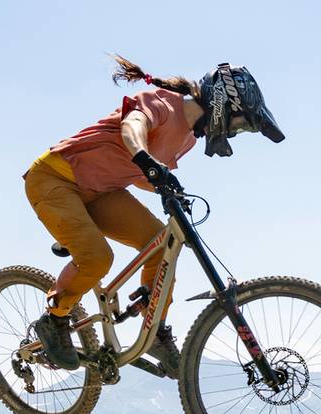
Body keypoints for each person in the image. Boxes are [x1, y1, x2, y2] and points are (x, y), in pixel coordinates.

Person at [23, 55, 284, 370]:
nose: (234, 133)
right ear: (223, 107)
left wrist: (172, 190)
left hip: (101, 191)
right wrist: (147, 160)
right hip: (55, 178)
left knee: (160, 244)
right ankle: (54, 320)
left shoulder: (187, 139)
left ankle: (155, 330)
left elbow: (143, 175)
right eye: (239, 124)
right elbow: (132, 128)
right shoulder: (164, 102)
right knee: (97, 258)